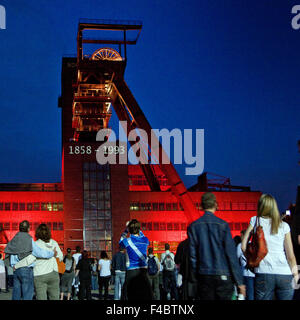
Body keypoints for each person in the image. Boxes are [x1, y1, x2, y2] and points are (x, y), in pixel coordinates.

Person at [188, 192, 245, 300]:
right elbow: (231, 255)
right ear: (215, 204)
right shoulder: (223, 225)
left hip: (204, 275)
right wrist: (239, 282)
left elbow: (193, 257)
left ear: (202, 206)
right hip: (223, 275)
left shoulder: (193, 227)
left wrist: (195, 278)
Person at [241, 194, 298, 300]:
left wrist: (252, 261)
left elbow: (243, 246)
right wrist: (296, 276)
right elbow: (291, 256)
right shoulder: (284, 226)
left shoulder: (255, 221)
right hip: (284, 274)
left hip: (263, 273)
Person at [4, 220, 56, 300]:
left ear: (19, 228)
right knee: (27, 294)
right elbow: (38, 252)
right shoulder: (28, 239)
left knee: (16, 294)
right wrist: (52, 253)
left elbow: (8, 251)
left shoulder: (14, 239)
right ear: (28, 228)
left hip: (15, 270)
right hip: (26, 269)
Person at [14, 223, 63, 300]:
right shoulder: (54, 243)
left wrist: (16, 265)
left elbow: (29, 259)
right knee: (55, 297)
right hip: (53, 274)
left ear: (37, 233)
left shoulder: (36, 244)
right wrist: (53, 255)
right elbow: (60, 257)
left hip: (40, 274)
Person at [119, 219, 153, 300]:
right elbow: (142, 235)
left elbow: (120, 244)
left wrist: (126, 231)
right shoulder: (145, 240)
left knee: (127, 294)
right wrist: (136, 228)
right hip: (143, 271)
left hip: (131, 271)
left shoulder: (127, 241)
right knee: (146, 294)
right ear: (139, 229)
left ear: (130, 230)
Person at [236, 229, 255, 300]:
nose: (240, 237)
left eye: (241, 235)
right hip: (255, 273)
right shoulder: (253, 244)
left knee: (246, 295)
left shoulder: (240, 245)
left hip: (245, 273)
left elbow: (236, 258)